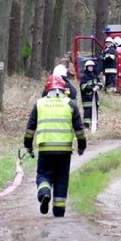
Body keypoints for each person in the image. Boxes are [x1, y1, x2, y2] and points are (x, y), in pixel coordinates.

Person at [23, 75, 86, 217]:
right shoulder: (70, 104)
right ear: (64, 89)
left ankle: (44, 192)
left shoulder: (39, 104)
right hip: (64, 150)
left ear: (47, 89)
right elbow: (79, 130)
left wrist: (28, 145)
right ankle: (58, 210)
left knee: (43, 175)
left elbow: (30, 129)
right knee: (61, 179)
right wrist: (82, 146)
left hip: (45, 149)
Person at [79, 59, 101, 130]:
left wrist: (98, 86)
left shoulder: (95, 76)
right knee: (87, 111)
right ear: (86, 67)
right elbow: (83, 86)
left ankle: (95, 124)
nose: (91, 68)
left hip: (94, 97)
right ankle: (86, 125)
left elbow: (100, 83)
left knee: (95, 110)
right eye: (89, 67)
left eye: (92, 67)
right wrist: (92, 88)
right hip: (87, 97)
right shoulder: (84, 77)